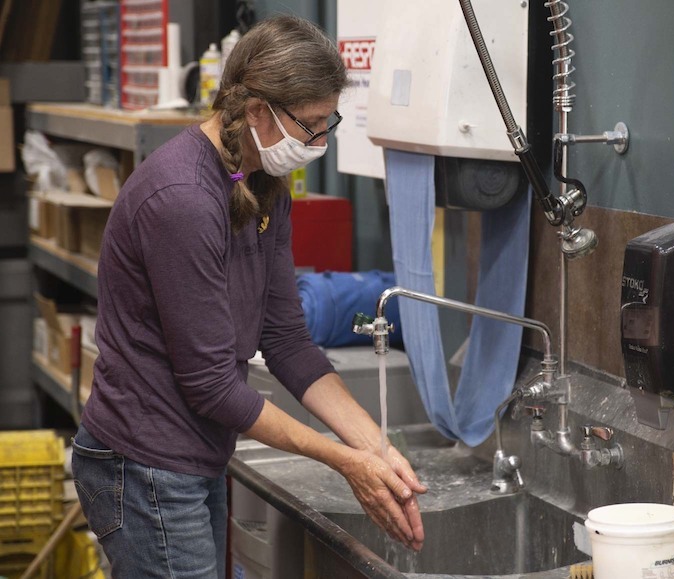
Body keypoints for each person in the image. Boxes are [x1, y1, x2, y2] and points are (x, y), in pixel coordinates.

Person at [71, 15, 426, 578]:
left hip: (193, 458)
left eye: (327, 121)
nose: (320, 141)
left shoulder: (259, 182)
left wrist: (376, 450)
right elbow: (212, 387)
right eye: (311, 125)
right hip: (143, 467)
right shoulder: (184, 198)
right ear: (259, 112)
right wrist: (344, 461)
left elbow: (285, 339)